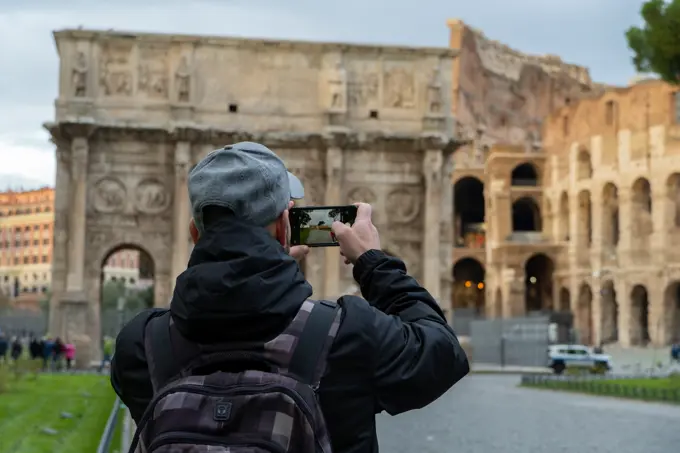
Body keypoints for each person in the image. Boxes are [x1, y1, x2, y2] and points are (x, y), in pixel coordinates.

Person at [111, 142, 469, 453]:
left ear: (194, 232)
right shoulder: (349, 335)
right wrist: (372, 263)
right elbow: (443, 354)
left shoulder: (140, 349)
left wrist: (266, 268)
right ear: (284, 225)